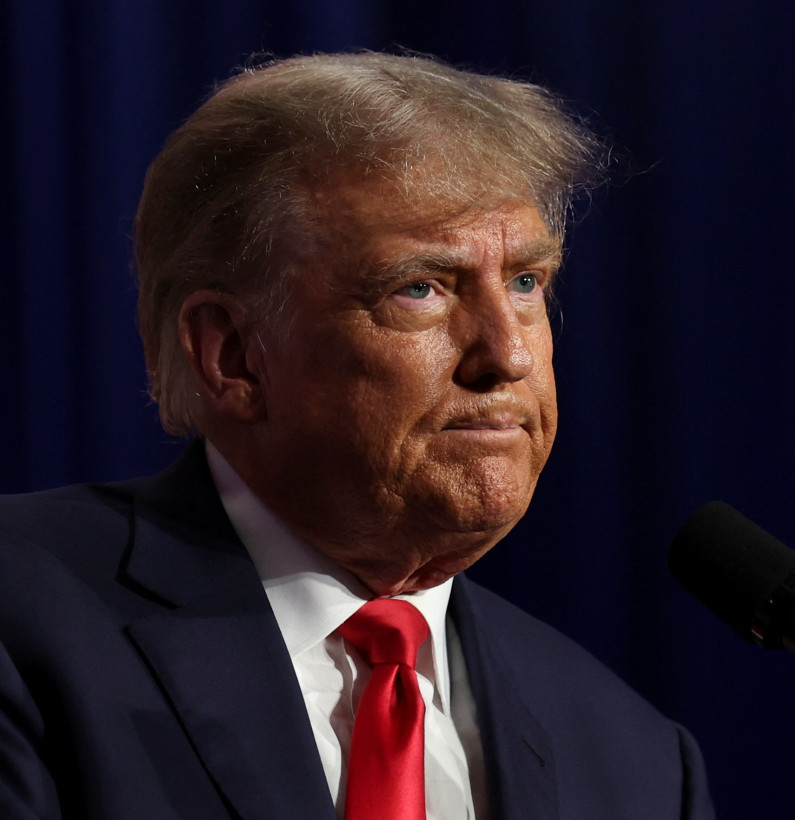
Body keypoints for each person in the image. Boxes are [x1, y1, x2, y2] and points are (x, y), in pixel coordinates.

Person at [0, 52, 714, 819]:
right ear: (234, 356)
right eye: (421, 288)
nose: (507, 355)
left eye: (526, 282)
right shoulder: (25, 621)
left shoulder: (634, 763)